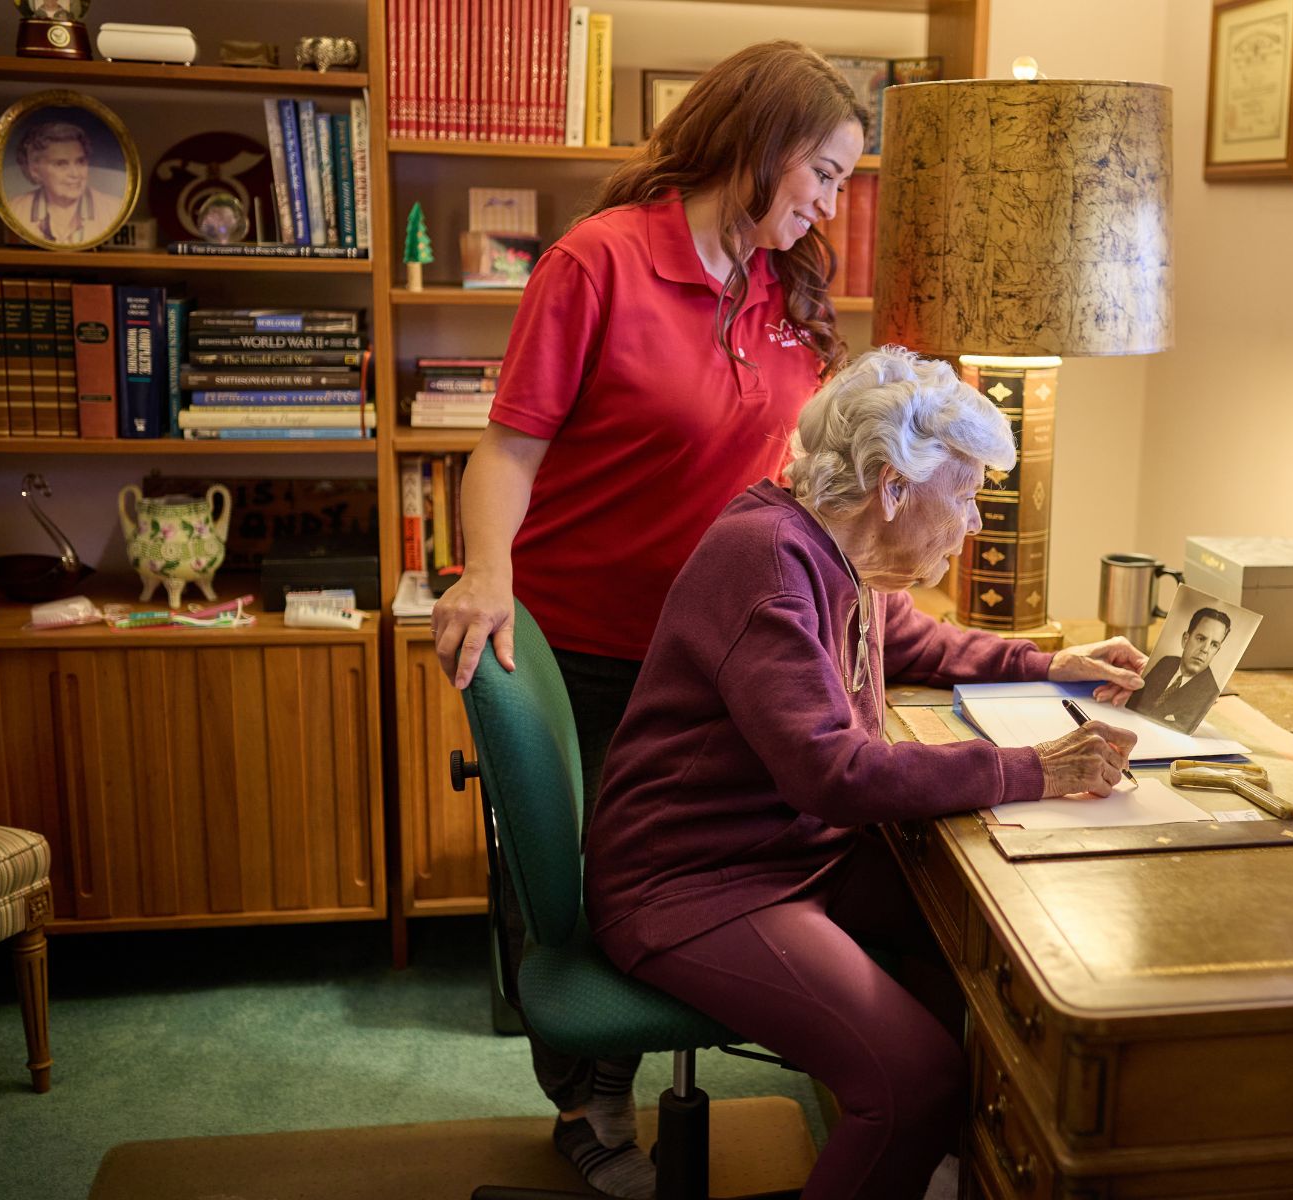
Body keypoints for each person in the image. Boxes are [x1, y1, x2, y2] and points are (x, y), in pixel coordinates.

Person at [429, 40, 868, 1199]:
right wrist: (485, 572)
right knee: (575, 898)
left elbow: (795, 465)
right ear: (763, 143)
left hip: (725, 646)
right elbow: (508, 447)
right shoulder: (599, 263)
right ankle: (591, 1106)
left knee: (687, 886)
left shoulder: (788, 282)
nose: (831, 202)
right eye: (823, 172)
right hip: (583, 644)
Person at [585, 347, 1148, 1200]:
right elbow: (834, 773)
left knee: (993, 947)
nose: (976, 521)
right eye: (963, 494)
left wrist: (1047, 660)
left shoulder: (836, 547)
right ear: (892, 486)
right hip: (696, 883)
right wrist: (1032, 769)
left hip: (793, 853)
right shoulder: (769, 563)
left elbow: (915, 640)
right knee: (913, 1082)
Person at [8, 121, 120, 246]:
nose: (75, 174)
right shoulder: (14, 210)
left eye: (80, 162)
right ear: (35, 170)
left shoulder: (114, 210)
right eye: (61, 164)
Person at [1130, 605, 1232, 732]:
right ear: (1185, 639)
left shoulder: (1209, 691)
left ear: (1217, 651)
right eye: (1201, 639)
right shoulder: (1166, 663)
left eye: (1214, 645)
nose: (1205, 650)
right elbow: (1135, 702)